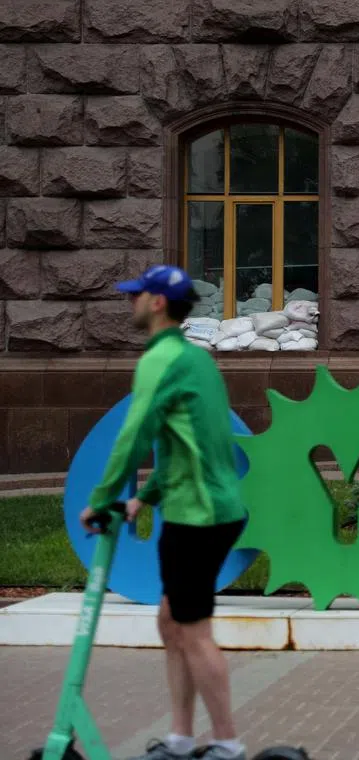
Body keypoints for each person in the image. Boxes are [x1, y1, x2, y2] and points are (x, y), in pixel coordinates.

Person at [79, 265, 248, 760]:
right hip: (207, 508)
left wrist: (105, 497)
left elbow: (134, 436)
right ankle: (179, 738)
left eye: (136, 295)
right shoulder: (198, 360)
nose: (129, 302)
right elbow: (187, 448)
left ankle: (228, 743)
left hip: (199, 517)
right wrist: (143, 500)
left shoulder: (160, 360)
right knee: (172, 623)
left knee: (192, 632)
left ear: (156, 303)